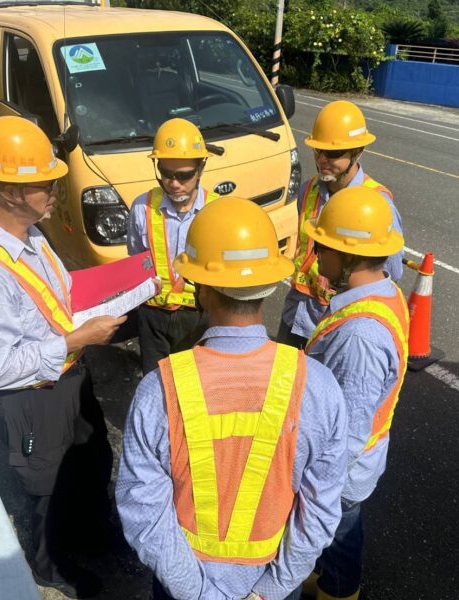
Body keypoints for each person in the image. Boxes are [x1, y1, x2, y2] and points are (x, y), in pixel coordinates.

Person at [116, 197, 348, 600]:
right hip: (272, 586)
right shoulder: (319, 386)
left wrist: (200, 594)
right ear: (269, 284)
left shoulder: (159, 390)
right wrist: (269, 590)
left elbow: (144, 513)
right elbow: (320, 513)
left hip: (184, 588)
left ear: (202, 288)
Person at [0, 116, 123, 599]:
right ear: (10, 193)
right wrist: (74, 339)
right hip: (32, 397)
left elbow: (56, 299)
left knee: (89, 459)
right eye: (45, 183)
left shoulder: (34, 236)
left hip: (69, 376)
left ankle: (93, 533)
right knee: (46, 485)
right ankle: (51, 565)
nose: (54, 190)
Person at [301, 186, 409, 600]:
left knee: (341, 535)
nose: (315, 255)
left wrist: (317, 487)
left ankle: (340, 592)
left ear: (348, 255)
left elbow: (347, 428)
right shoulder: (384, 291)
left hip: (343, 472)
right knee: (337, 535)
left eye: (321, 246)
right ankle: (330, 576)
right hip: (359, 461)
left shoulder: (359, 337)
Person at [278, 100, 404, 348]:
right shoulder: (308, 189)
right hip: (296, 314)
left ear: (357, 152)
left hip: (335, 322)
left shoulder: (376, 204)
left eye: (333, 154)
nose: (322, 159)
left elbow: (391, 272)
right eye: (318, 151)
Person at [127, 118, 219, 375]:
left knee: (197, 384)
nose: (174, 184)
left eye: (184, 175)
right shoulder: (142, 207)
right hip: (152, 316)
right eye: (166, 174)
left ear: (201, 168)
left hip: (199, 317)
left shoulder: (217, 211)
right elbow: (136, 259)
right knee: (155, 382)